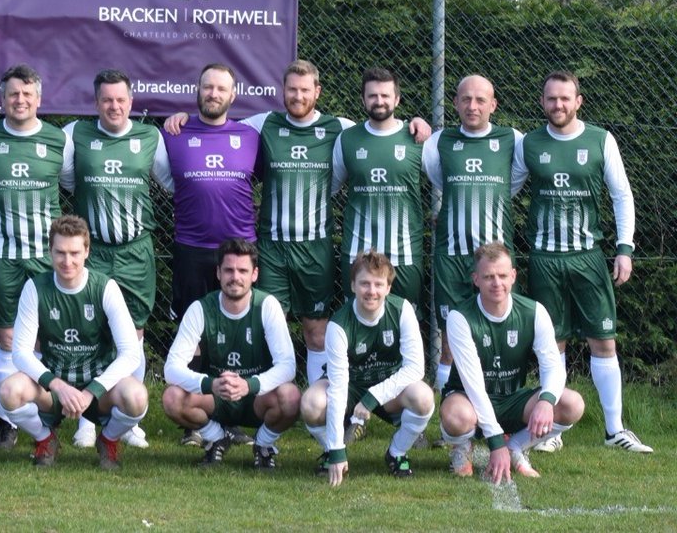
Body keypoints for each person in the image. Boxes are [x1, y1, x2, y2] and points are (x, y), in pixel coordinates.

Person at [164, 61, 428, 385]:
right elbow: (217, 125)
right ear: (283, 91)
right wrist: (184, 120)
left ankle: (315, 403)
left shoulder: (339, 129)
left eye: (305, 90)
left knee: (316, 328)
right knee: (266, 324)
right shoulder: (264, 124)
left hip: (315, 247)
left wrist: (413, 124)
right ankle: (268, 395)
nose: (298, 96)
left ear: (317, 92)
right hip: (273, 247)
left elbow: (378, 129)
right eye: (292, 89)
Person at [511, 70, 650, 453]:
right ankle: (552, 430)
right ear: (542, 102)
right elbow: (505, 189)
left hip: (588, 258)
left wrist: (625, 248)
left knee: (603, 340)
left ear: (578, 101)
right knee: (551, 344)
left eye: (565, 98)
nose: (558, 105)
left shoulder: (600, 140)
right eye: (551, 99)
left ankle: (614, 430)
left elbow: (621, 195)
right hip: (544, 259)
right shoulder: (530, 144)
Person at [0, 64, 75, 450]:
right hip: (3, 255)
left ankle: (40, 413)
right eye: (12, 95)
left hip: (48, 258)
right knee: (6, 337)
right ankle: (7, 424)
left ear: (39, 99)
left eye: (27, 94)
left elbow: (72, 182)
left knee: (45, 338)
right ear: (1, 99)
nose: (19, 101)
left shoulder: (59, 140)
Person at [63, 69, 173, 450]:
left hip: (134, 251)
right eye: (106, 100)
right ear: (96, 103)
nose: (114, 106)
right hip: (91, 252)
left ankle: (128, 419)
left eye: (120, 99)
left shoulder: (149, 137)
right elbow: (61, 176)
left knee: (134, 335)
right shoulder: (75, 134)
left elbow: (172, 181)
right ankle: (87, 420)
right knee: (90, 334)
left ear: (132, 101)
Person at [160, 63, 261, 447]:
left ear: (233, 95)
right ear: (197, 90)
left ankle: (230, 418)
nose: (214, 93)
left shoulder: (251, 135)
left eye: (221, 88)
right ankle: (193, 422)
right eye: (208, 87)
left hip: (239, 252)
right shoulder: (174, 132)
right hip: (191, 249)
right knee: (194, 337)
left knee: (232, 337)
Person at [0, 215, 148, 470]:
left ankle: (108, 440)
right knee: (9, 392)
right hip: (54, 390)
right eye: (60, 253)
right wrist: (58, 386)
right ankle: (46, 439)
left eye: (75, 253)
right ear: (50, 251)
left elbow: (131, 354)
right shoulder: (35, 288)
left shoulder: (105, 287)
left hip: (97, 388)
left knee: (137, 397)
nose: (67, 261)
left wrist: (92, 392)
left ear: (87, 251)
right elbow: (20, 353)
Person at [440, 242, 585, 481]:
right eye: (488, 277)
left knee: (572, 404)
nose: (497, 283)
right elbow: (474, 386)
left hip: (512, 399)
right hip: (468, 399)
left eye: (502, 275)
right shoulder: (459, 317)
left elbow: (553, 367)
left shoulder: (534, 312)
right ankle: (462, 447)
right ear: (475, 279)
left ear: (514, 276)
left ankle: (515, 447)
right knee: (458, 416)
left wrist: (546, 401)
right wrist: (494, 441)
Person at [422, 75, 525, 394]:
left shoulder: (513, 139)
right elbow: (440, 180)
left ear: (493, 104)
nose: (473, 106)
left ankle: (500, 406)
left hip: (494, 260)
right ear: (454, 103)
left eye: (481, 100)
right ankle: (450, 412)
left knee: (496, 331)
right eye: (465, 99)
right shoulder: (438, 142)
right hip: (452, 255)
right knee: (451, 338)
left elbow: (513, 184)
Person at [162, 238, 301, 469]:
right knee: (172, 398)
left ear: (254, 274)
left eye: (242, 270)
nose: (235, 277)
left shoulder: (267, 306)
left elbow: (287, 366)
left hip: (257, 397)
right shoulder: (200, 308)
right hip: (217, 397)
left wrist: (250, 385)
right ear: (218, 273)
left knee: (292, 397)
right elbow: (171, 368)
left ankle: (264, 445)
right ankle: (216, 438)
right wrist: (210, 384)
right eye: (228, 270)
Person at [301, 251, 434, 485]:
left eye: (378, 284)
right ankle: (331, 452)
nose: (371, 291)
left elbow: (415, 368)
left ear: (388, 288)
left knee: (423, 397)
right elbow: (339, 386)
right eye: (364, 283)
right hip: (350, 387)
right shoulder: (338, 325)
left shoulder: (402, 310)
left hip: (387, 387)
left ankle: (397, 453)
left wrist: (374, 397)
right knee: (311, 403)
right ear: (353, 285)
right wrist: (337, 449)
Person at [332, 68, 427, 310]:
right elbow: (332, 186)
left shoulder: (416, 139)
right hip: (357, 252)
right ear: (363, 99)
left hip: (404, 252)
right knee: (357, 324)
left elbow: (442, 180)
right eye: (372, 96)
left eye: (385, 95)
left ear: (397, 99)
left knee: (406, 325)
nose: (379, 101)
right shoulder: (347, 139)